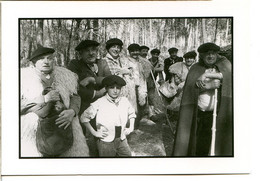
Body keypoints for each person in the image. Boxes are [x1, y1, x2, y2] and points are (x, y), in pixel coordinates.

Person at [21, 45, 89, 157]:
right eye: (41, 58)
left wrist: (72, 111)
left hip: (65, 131)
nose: (46, 61)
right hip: (32, 135)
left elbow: (75, 96)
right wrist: (44, 99)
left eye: (49, 58)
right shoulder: (23, 77)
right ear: (33, 62)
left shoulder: (66, 75)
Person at [173, 43, 232, 157]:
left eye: (213, 53)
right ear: (202, 55)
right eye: (207, 54)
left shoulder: (225, 65)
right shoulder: (196, 68)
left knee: (217, 143)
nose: (210, 56)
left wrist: (211, 76)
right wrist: (209, 86)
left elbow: (231, 77)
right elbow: (190, 91)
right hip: (200, 114)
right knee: (200, 143)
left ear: (217, 54)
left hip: (219, 114)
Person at [80, 75, 136, 157]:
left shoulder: (124, 101)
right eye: (112, 87)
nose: (115, 91)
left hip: (121, 139)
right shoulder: (100, 102)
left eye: (118, 88)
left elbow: (132, 114)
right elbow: (83, 118)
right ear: (106, 88)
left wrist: (131, 127)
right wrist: (95, 133)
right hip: (106, 141)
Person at [68, 40, 106, 156]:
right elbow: (75, 87)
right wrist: (97, 93)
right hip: (83, 106)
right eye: (87, 51)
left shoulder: (102, 63)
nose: (91, 53)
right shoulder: (74, 64)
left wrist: (91, 79)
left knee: (103, 135)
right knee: (83, 137)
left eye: (93, 50)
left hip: (102, 106)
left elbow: (110, 79)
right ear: (80, 54)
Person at [98, 38, 137, 120]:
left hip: (126, 95)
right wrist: (117, 75)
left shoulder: (124, 60)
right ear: (108, 48)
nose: (116, 49)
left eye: (118, 47)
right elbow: (99, 79)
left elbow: (133, 73)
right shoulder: (102, 61)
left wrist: (128, 71)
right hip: (111, 94)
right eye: (113, 47)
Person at [126, 43, 147, 128]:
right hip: (130, 87)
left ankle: (136, 125)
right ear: (129, 52)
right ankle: (129, 125)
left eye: (137, 51)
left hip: (140, 86)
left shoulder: (140, 62)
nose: (135, 53)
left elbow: (143, 75)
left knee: (140, 106)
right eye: (133, 51)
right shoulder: (126, 61)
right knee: (131, 106)